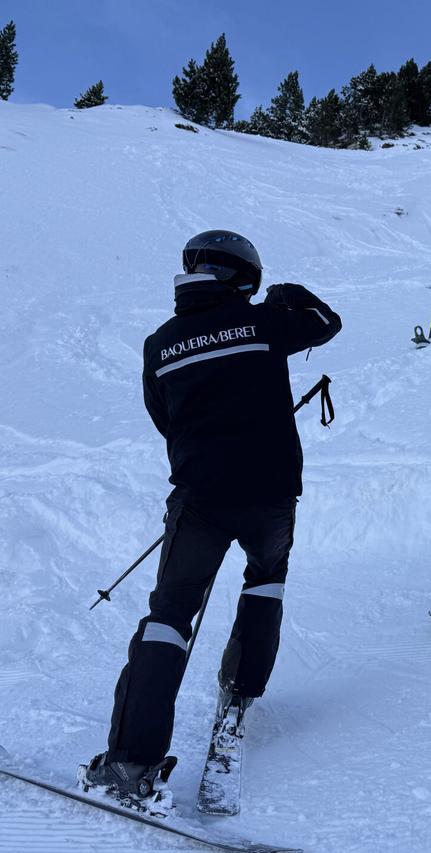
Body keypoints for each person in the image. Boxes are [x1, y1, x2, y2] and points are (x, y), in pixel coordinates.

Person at [80, 230, 341, 801]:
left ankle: (130, 761)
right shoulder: (265, 322)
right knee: (265, 583)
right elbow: (327, 321)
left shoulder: (159, 343)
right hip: (271, 495)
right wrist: (287, 296)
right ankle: (240, 689)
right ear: (243, 275)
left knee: (170, 614)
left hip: (199, 499)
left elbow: (163, 417)